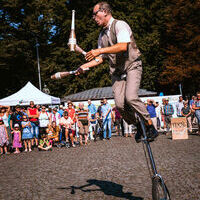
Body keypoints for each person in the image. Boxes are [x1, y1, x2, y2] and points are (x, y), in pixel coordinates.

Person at [76, 1, 158, 142]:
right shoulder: (101, 36)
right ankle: (137, 125)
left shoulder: (120, 25)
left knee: (131, 97)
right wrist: (84, 66)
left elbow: (122, 46)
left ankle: (150, 126)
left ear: (105, 12)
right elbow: (100, 58)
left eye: (95, 15)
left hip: (132, 65)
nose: (94, 18)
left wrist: (99, 50)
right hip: (117, 72)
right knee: (120, 105)